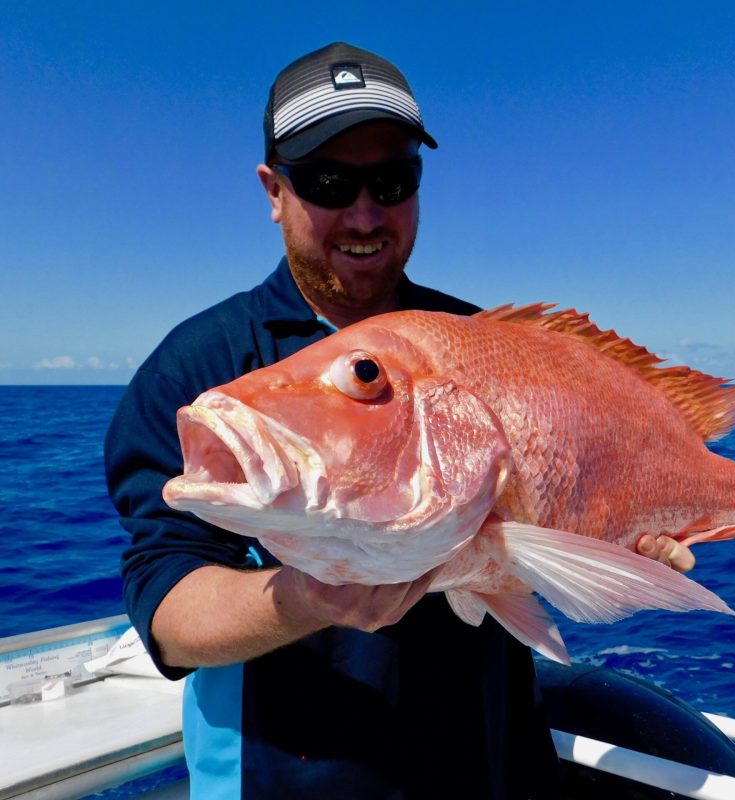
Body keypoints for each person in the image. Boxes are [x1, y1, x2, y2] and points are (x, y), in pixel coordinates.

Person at [105, 41, 694, 800]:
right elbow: (168, 605)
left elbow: (538, 544)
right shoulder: (201, 371)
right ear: (273, 190)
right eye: (326, 179)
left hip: (493, 773)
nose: (363, 212)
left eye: (392, 180)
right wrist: (308, 598)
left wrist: (627, 549)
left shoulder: (481, 340)